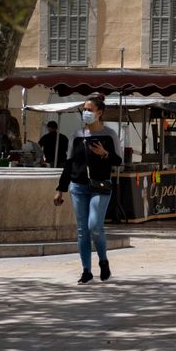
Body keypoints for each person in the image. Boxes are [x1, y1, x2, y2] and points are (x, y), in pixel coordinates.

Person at [53, 94, 121, 284]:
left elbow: (119, 160)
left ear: (99, 113)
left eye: (90, 110)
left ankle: (103, 261)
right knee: (82, 230)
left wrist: (105, 154)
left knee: (94, 226)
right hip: (78, 186)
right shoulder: (76, 136)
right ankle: (86, 271)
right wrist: (61, 189)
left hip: (100, 186)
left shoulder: (109, 134)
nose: (86, 113)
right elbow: (68, 164)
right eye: (85, 109)